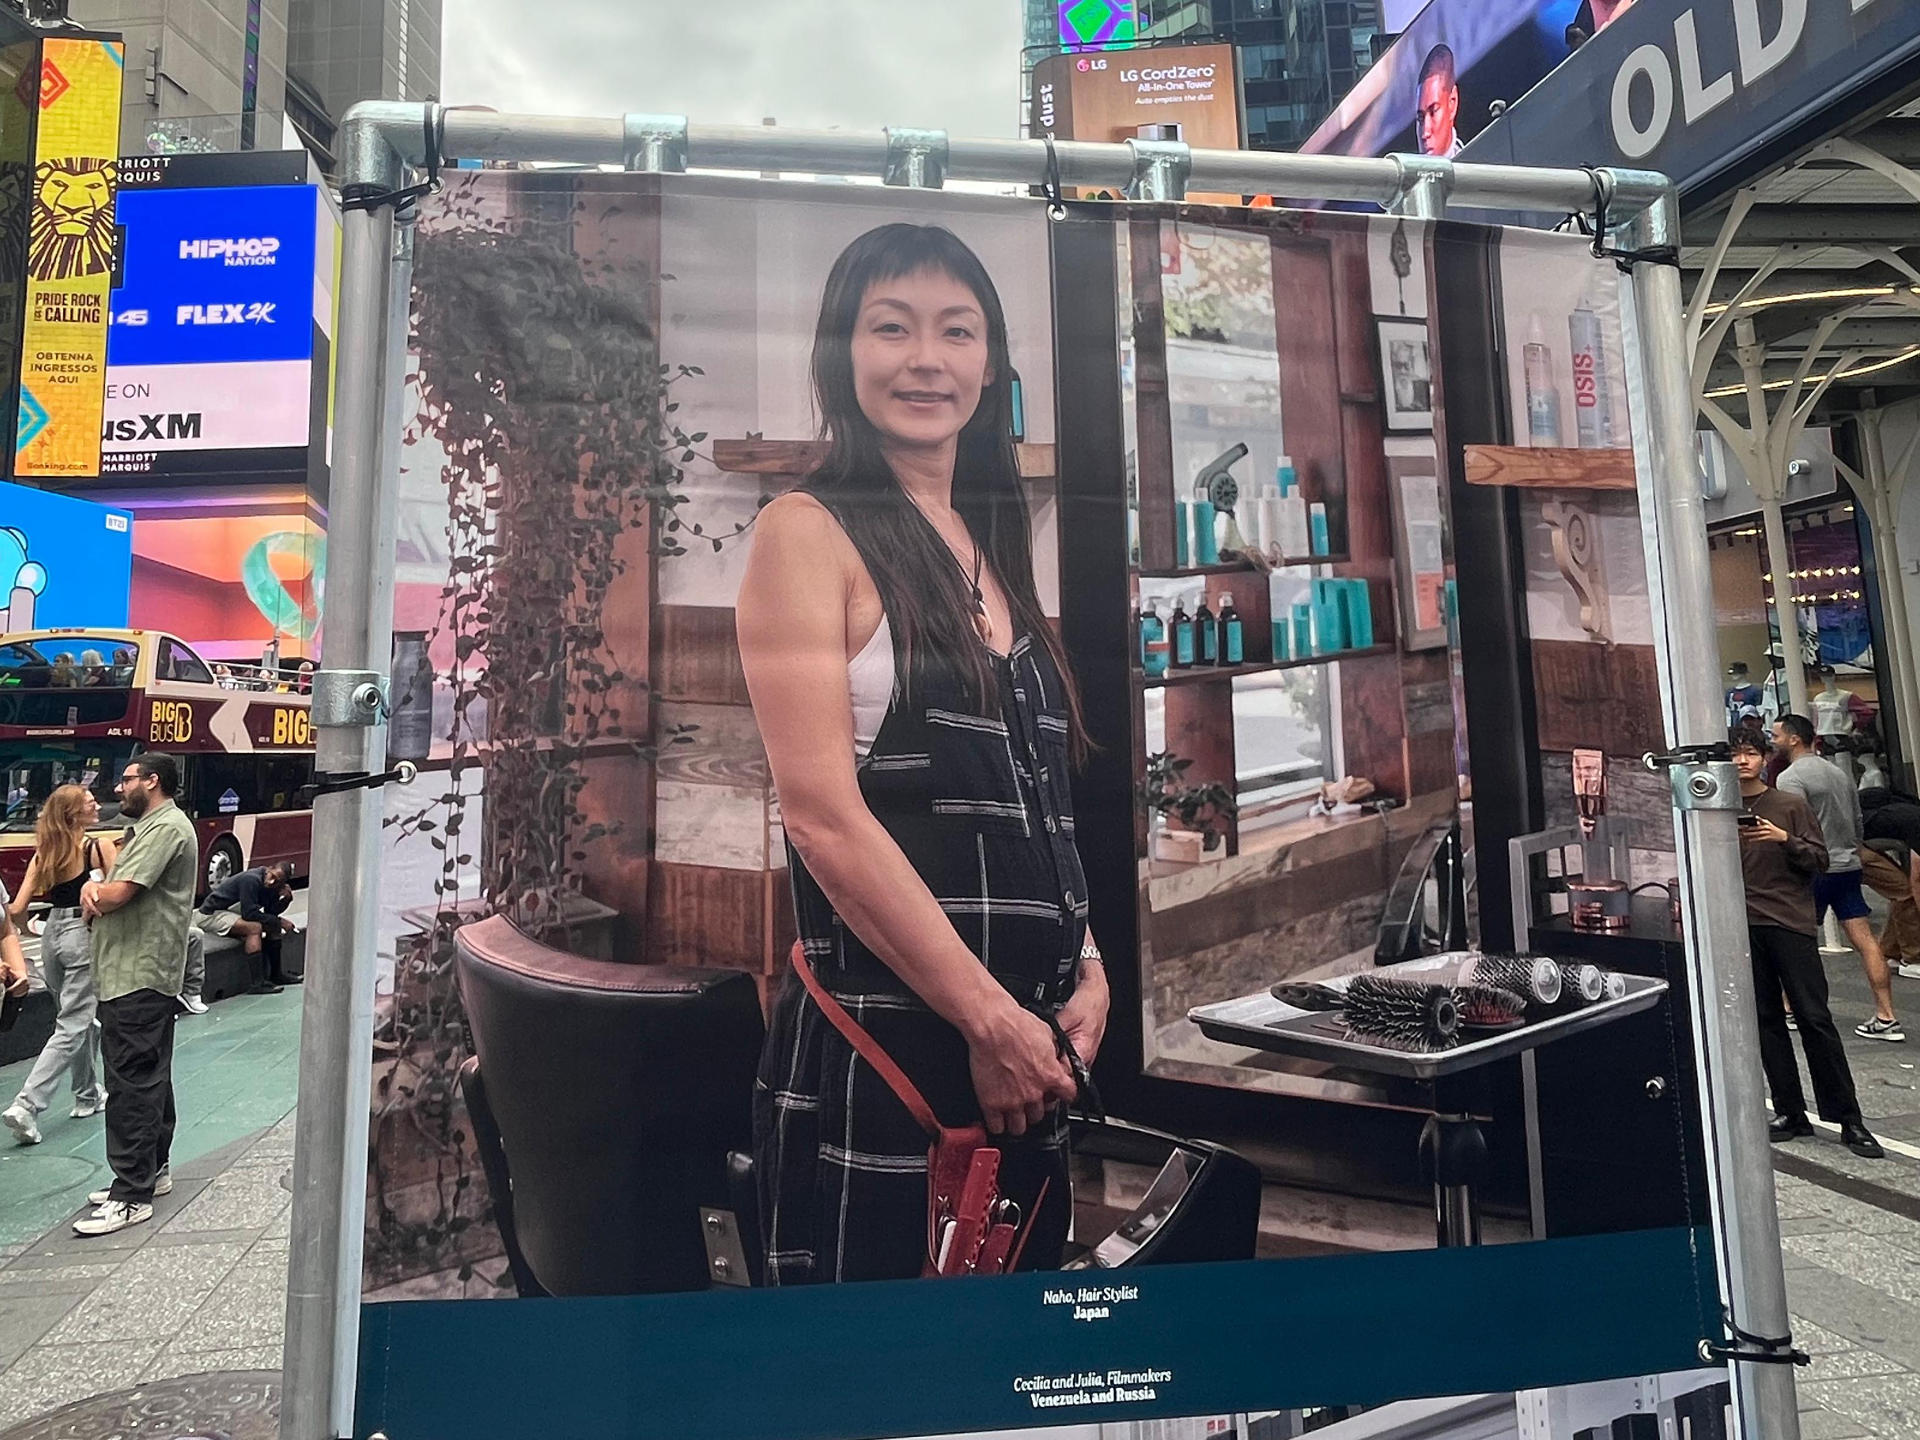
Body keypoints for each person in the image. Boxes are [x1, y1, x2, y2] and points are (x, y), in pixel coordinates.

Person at [738, 224, 1107, 1284]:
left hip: (1025, 1067)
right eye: (890, 328)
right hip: (887, 1060)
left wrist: (1086, 970)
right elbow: (821, 817)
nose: (925, 359)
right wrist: (989, 1016)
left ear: (991, 367)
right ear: (840, 356)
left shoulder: (989, 539)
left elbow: (1034, 800)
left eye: (957, 331)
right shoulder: (805, 533)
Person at [1731, 728, 1883, 1158]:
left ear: (1765, 758)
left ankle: (1848, 1118)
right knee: (1765, 1019)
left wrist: (1784, 839)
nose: (1743, 762)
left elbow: (1819, 859)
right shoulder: (1717, 809)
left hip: (1789, 921)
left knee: (1814, 1016)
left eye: (1750, 753)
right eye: (1735, 755)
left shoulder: (1789, 804)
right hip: (1741, 923)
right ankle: (1789, 1110)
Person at [74, 753, 200, 1235]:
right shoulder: (152, 826)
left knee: (130, 1083)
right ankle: (152, 1170)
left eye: (125, 779)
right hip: (133, 971)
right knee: (150, 1076)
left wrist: (93, 893)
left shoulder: (166, 827)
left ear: (152, 780)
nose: (116, 789)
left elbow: (116, 893)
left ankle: (131, 1195)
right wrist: (97, 893)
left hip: (139, 974)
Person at [1773, 714, 1902, 1041]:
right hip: (1847, 864)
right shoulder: (1839, 773)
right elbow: (1857, 820)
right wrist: (1851, 849)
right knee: (1865, 940)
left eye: (1776, 735)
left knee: (1797, 941)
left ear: (1793, 739)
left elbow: (1794, 828)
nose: (1772, 740)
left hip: (1813, 870)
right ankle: (1887, 1015)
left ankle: (1790, 1009)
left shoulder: (1790, 779)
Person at [1, 785, 116, 1145]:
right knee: (73, 1023)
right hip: (83, 932)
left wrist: (31, 929)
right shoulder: (98, 847)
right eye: (89, 801)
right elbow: (116, 895)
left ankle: (86, 1095)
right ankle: (27, 1104)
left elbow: (16, 910)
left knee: (76, 1020)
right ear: (73, 814)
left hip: (51, 934)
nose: (97, 803)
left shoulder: (44, 853)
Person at [192, 861, 298, 991]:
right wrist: (280, 921)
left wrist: (286, 900)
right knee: (254, 928)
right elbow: (249, 913)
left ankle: (276, 975)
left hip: (232, 911)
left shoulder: (273, 886)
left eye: (278, 881)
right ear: (269, 869)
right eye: (273, 877)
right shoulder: (251, 880)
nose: (272, 882)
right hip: (211, 914)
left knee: (273, 927)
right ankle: (257, 983)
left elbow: (271, 912)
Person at [1860, 787, 1920, 982]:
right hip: (1851, 847)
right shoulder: (1916, 821)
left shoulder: (1910, 808)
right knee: (1905, 893)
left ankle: (1890, 952)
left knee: (1900, 893)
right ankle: (1913, 959)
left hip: (1850, 840)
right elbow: (1917, 880)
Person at [1415, 46, 1463, 159]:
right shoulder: (1406, 174)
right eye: (1420, 118)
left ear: (1452, 103)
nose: (1425, 133)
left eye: (1433, 112)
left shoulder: (1477, 165)